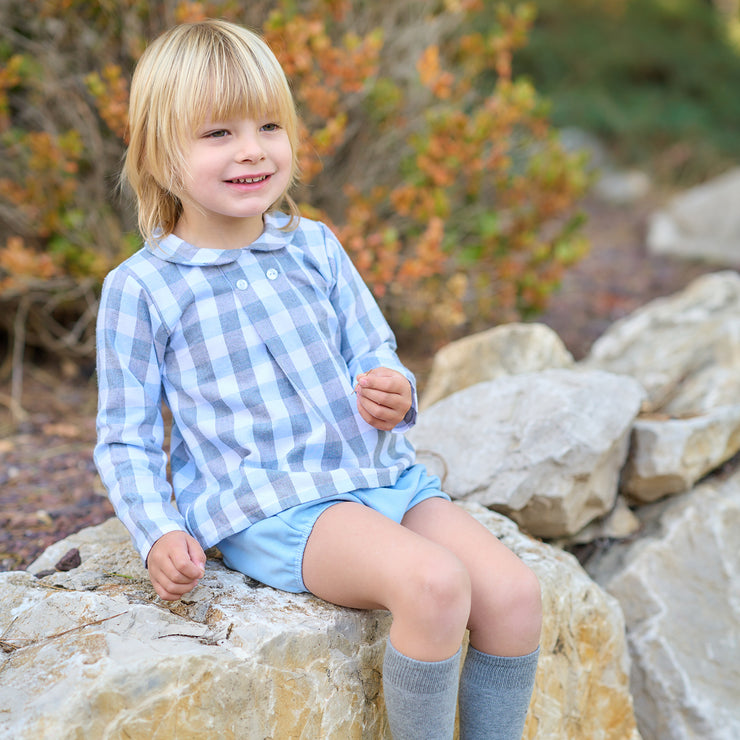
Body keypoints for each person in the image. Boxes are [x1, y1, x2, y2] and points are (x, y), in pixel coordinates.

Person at [94, 19, 541, 740]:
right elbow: (126, 439)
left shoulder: (315, 248)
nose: (252, 150)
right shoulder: (143, 289)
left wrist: (392, 388)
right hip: (274, 503)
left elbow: (374, 348)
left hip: (378, 475)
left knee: (514, 594)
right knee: (434, 586)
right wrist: (157, 530)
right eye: (217, 134)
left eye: (270, 125)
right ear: (157, 153)